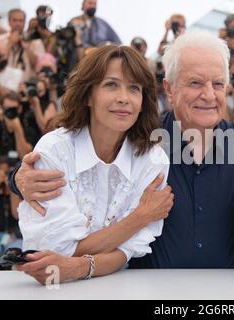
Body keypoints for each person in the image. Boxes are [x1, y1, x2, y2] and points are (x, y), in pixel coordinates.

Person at [10, 31, 234, 269]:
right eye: (195, 83)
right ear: (169, 89)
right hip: (144, 290)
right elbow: (77, 152)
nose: (209, 95)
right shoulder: (141, 137)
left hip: (227, 292)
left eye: (218, 84)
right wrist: (18, 179)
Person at [12, 45, 173, 285]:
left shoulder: (153, 159)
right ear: (88, 95)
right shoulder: (55, 149)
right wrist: (140, 217)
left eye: (134, 88)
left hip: (118, 288)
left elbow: (128, 250)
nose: (124, 98)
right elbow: (55, 251)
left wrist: (79, 266)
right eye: (111, 84)